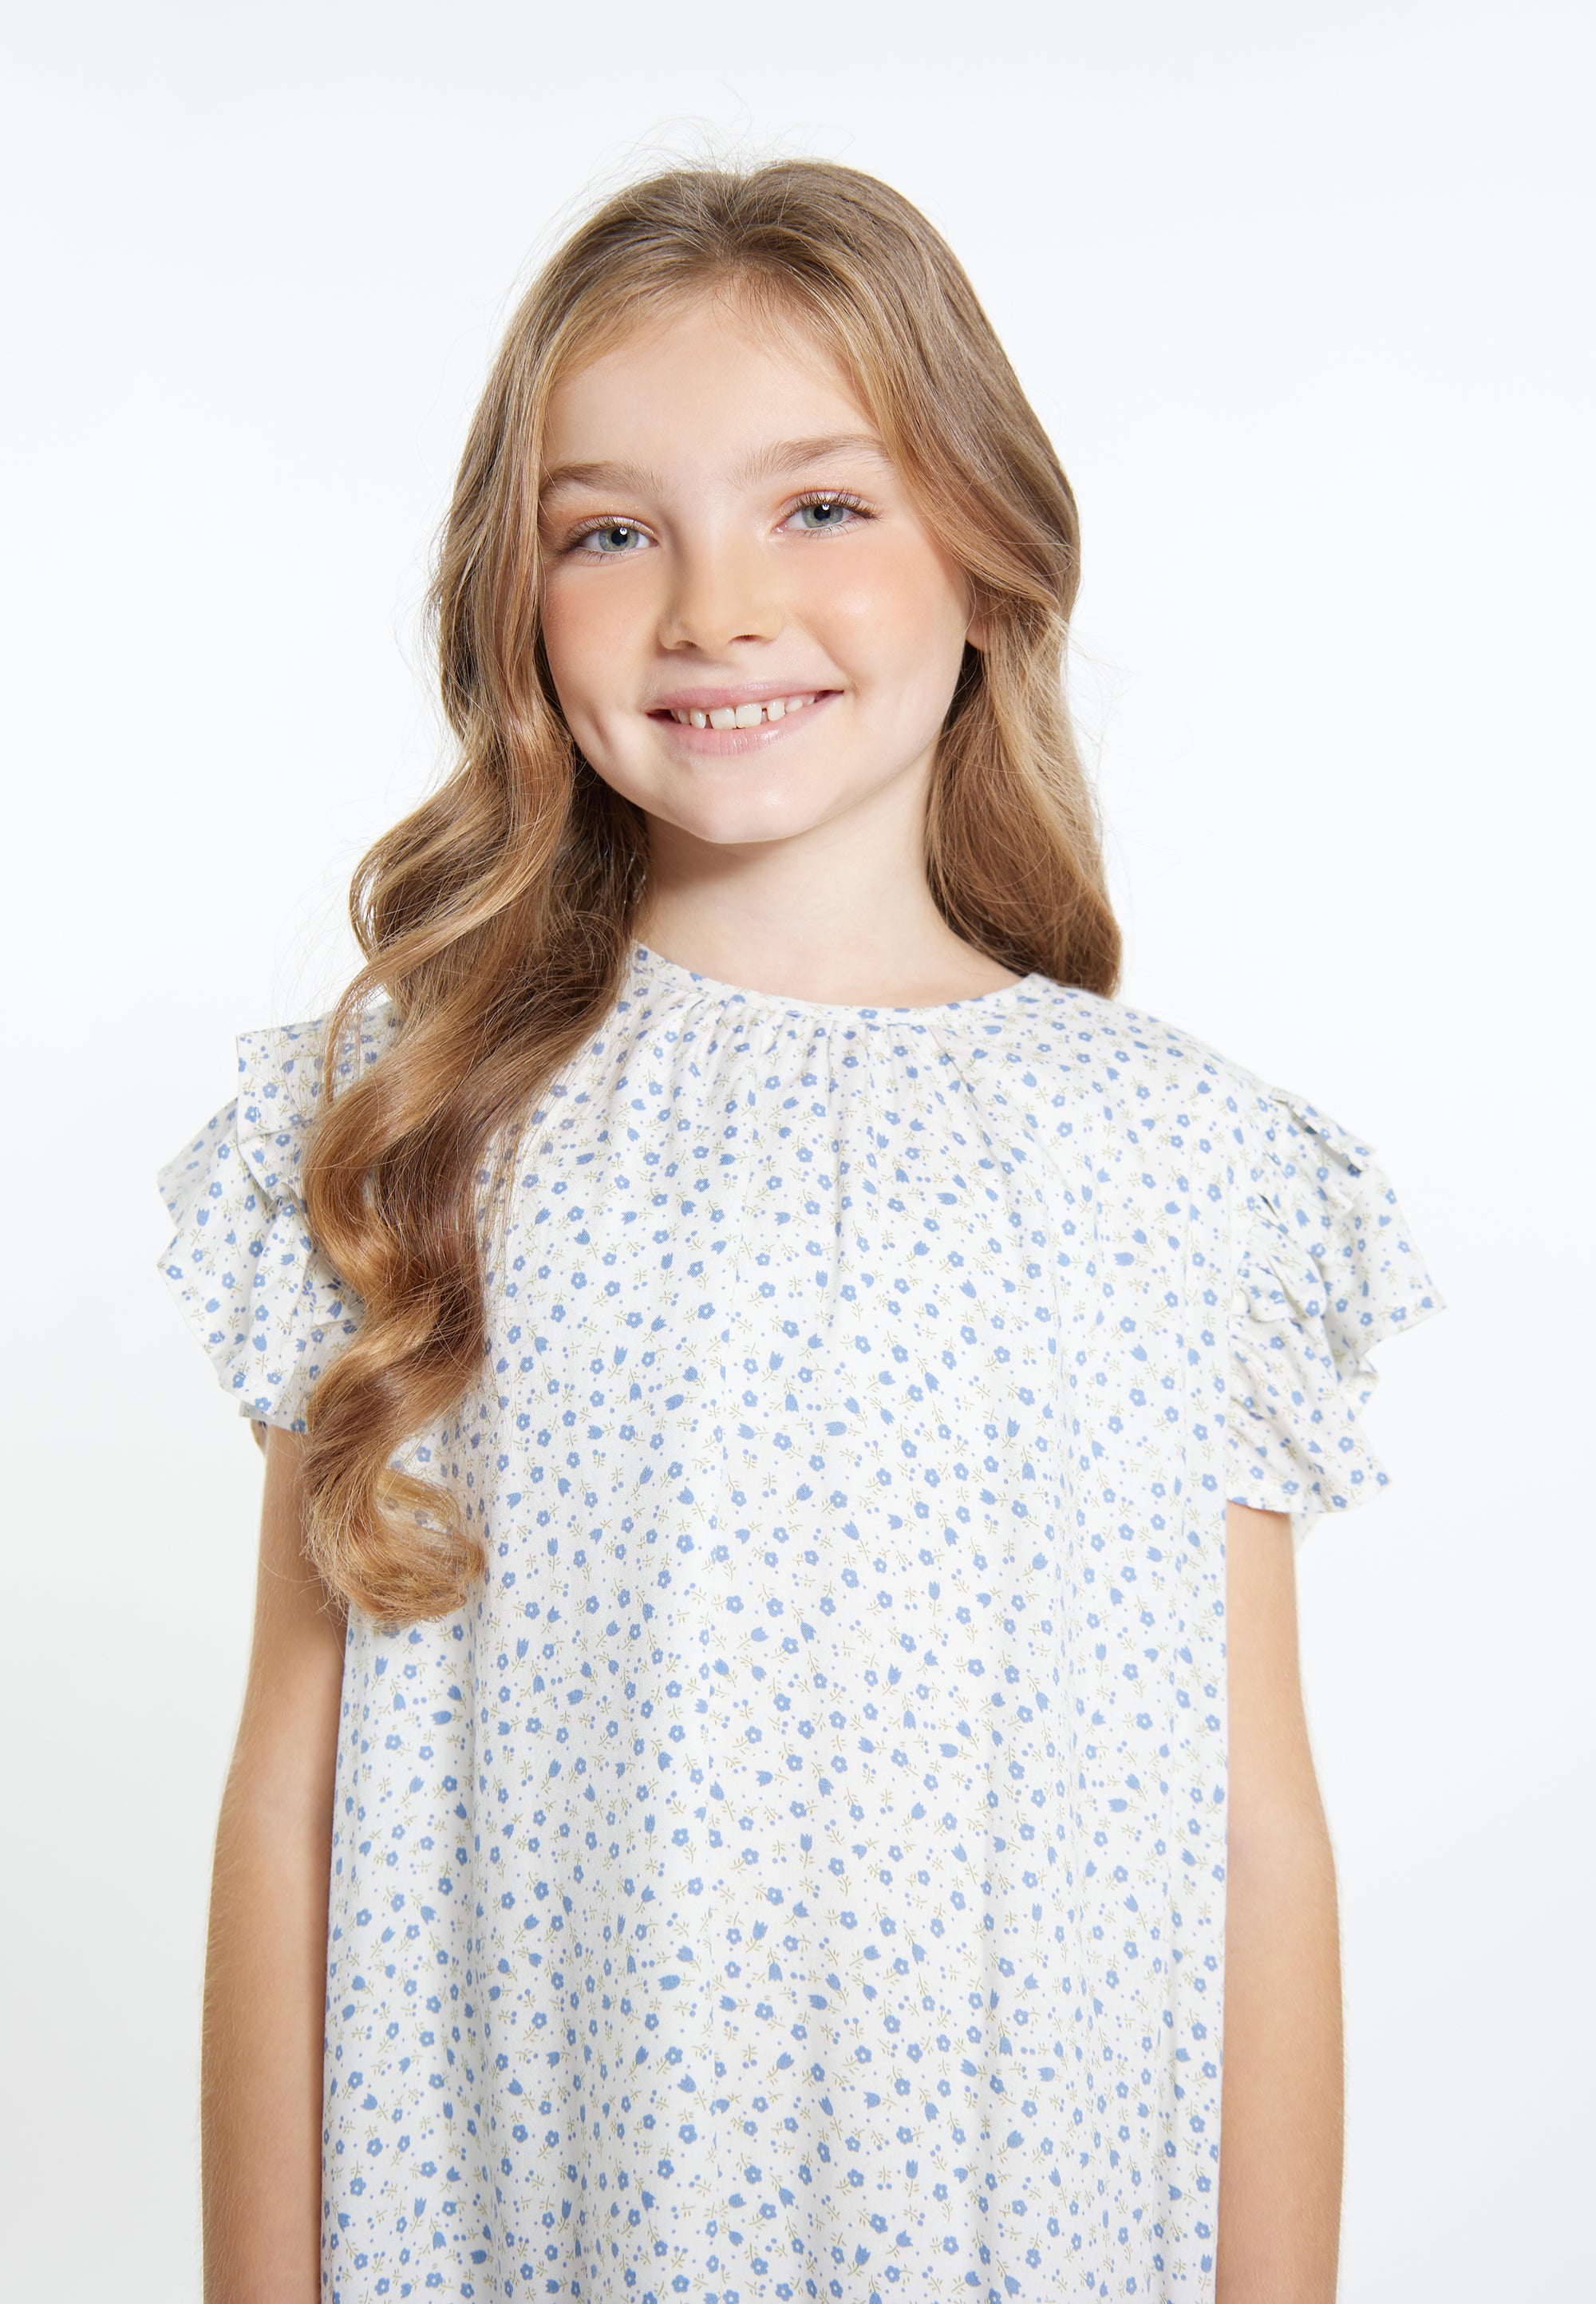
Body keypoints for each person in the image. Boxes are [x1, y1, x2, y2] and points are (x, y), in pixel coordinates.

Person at [156, 160, 1443, 2304]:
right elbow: (296, 1796)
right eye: (609, 531)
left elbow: (1250, 1835)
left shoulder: (1185, 1163)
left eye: (821, 506)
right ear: (514, 601)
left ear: (990, 550)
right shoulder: (410, 1116)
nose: (716, 608)